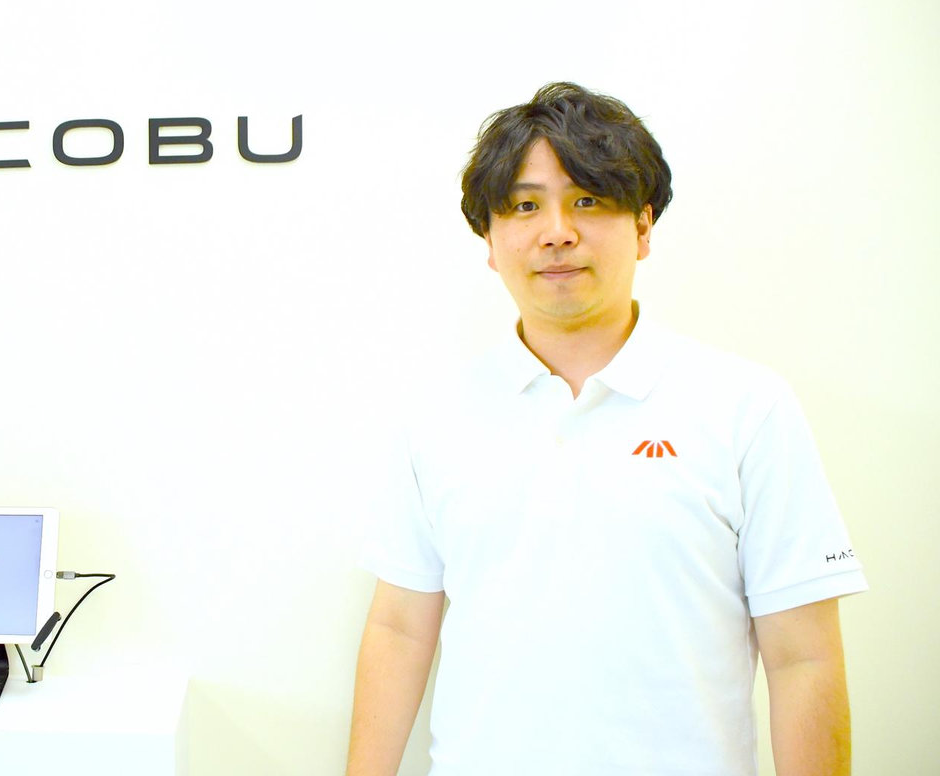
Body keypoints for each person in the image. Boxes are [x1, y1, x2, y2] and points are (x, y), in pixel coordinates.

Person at [347, 82, 866, 776]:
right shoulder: (436, 416)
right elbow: (399, 629)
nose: (556, 232)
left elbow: (804, 658)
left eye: (588, 201)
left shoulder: (747, 406)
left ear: (644, 227)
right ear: (490, 242)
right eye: (524, 206)